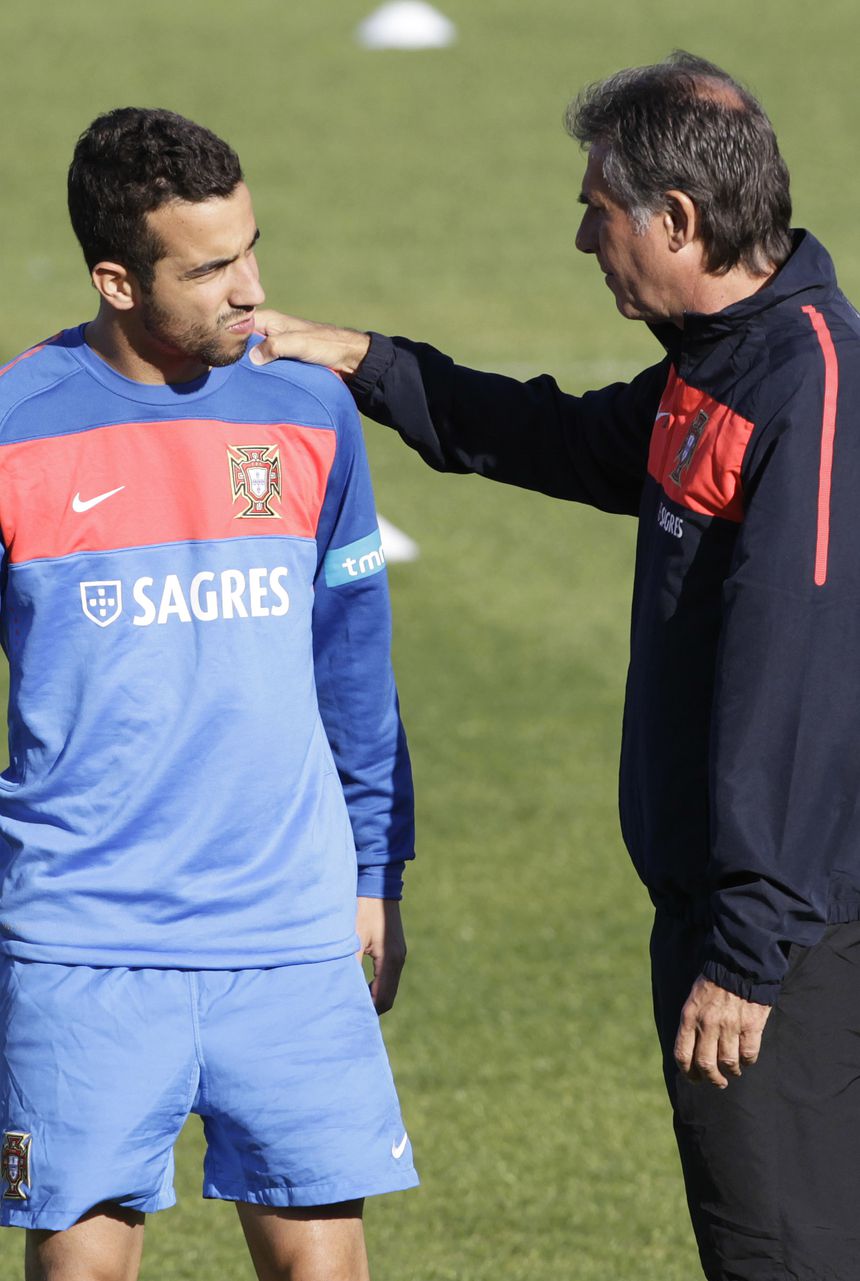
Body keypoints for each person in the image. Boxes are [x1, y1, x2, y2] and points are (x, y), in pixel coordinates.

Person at [249, 51, 860, 1281]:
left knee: (786, 1257)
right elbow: (570, 438)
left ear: (676, 222)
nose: (581, 236)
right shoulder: (721, 357)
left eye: (597, 208)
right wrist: (368, 360)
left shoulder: (809, 383)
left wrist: (743, 951)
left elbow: (800, 683)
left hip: (786, 941)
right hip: (727, 919)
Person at [0, 107, 417, 1281]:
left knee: (322, 1271)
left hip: (286, 930)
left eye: (251, 249)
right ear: (116, 280)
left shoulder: (308, 409)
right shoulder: (15, 430)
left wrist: (375, 872)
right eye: (212, 266)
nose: (252, 290)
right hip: (84, 940)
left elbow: (354, 665)